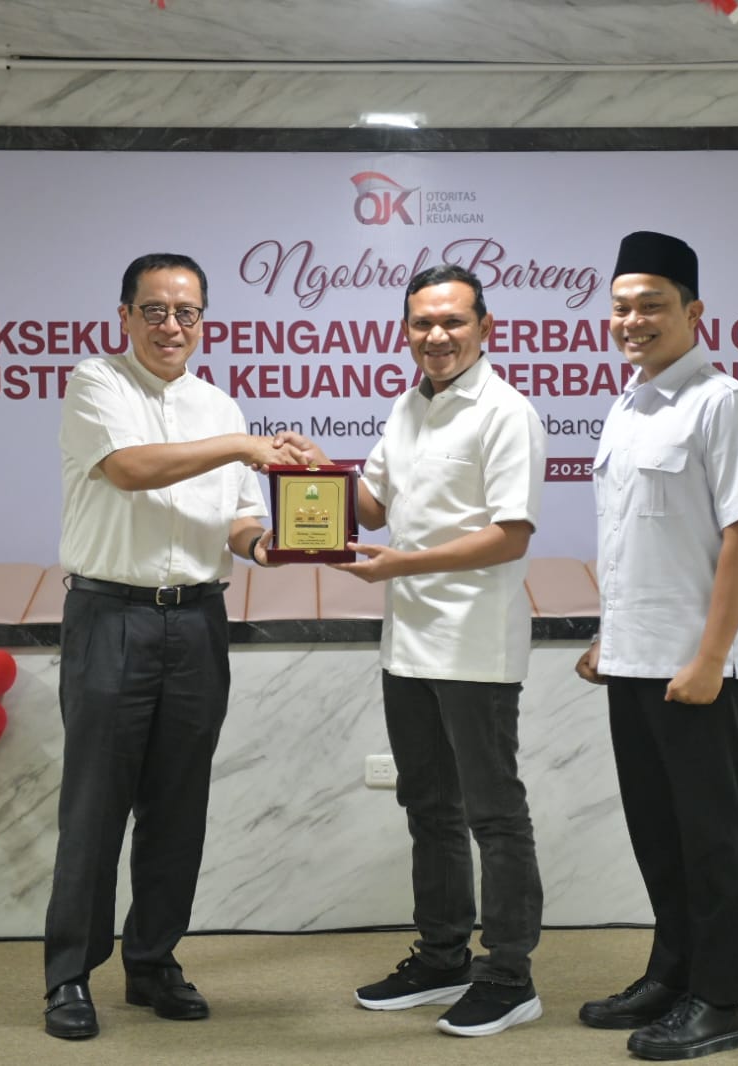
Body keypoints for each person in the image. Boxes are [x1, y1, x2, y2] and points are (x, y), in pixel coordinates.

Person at [42, 252, 311, 1040]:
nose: (171, 326)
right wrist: (243, 446)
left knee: (177, 805)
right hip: (110, 616)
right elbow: (129, 470)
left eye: (186, 312)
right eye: (154, 310)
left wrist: (275, 546)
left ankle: (153, 961)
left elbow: (239, 522)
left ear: (203, 321)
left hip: (196, 622)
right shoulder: (95, 383)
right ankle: (69, 975)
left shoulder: (218, 406)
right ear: (124, 316)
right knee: (94, 808)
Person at [331, 263, 549, 1038]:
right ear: (405, 330)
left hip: (474, 645)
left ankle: (510, 974)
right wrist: (309, 470)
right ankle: (442, 955)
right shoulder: (407, 406)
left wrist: (402, 565)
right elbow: (372, 506)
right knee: (428, 807)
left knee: (493, 815)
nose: (437, 335)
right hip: (407, 644)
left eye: (453, 321)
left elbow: (509, 535)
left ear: (484, 327)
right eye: (422, 322)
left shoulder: (507, 412)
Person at [574, 231, 738, 1060]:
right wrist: (607, 636)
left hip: (697, 665)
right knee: (658, 834)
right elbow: (637, 538)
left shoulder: (721, 403)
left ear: (694, 312)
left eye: (651, 305)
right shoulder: (627, 405)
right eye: (621, 307)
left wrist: (709, 660)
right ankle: (672, 974)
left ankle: (719, 1003)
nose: (633, 320)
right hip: (634, 657)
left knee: (710, 837)